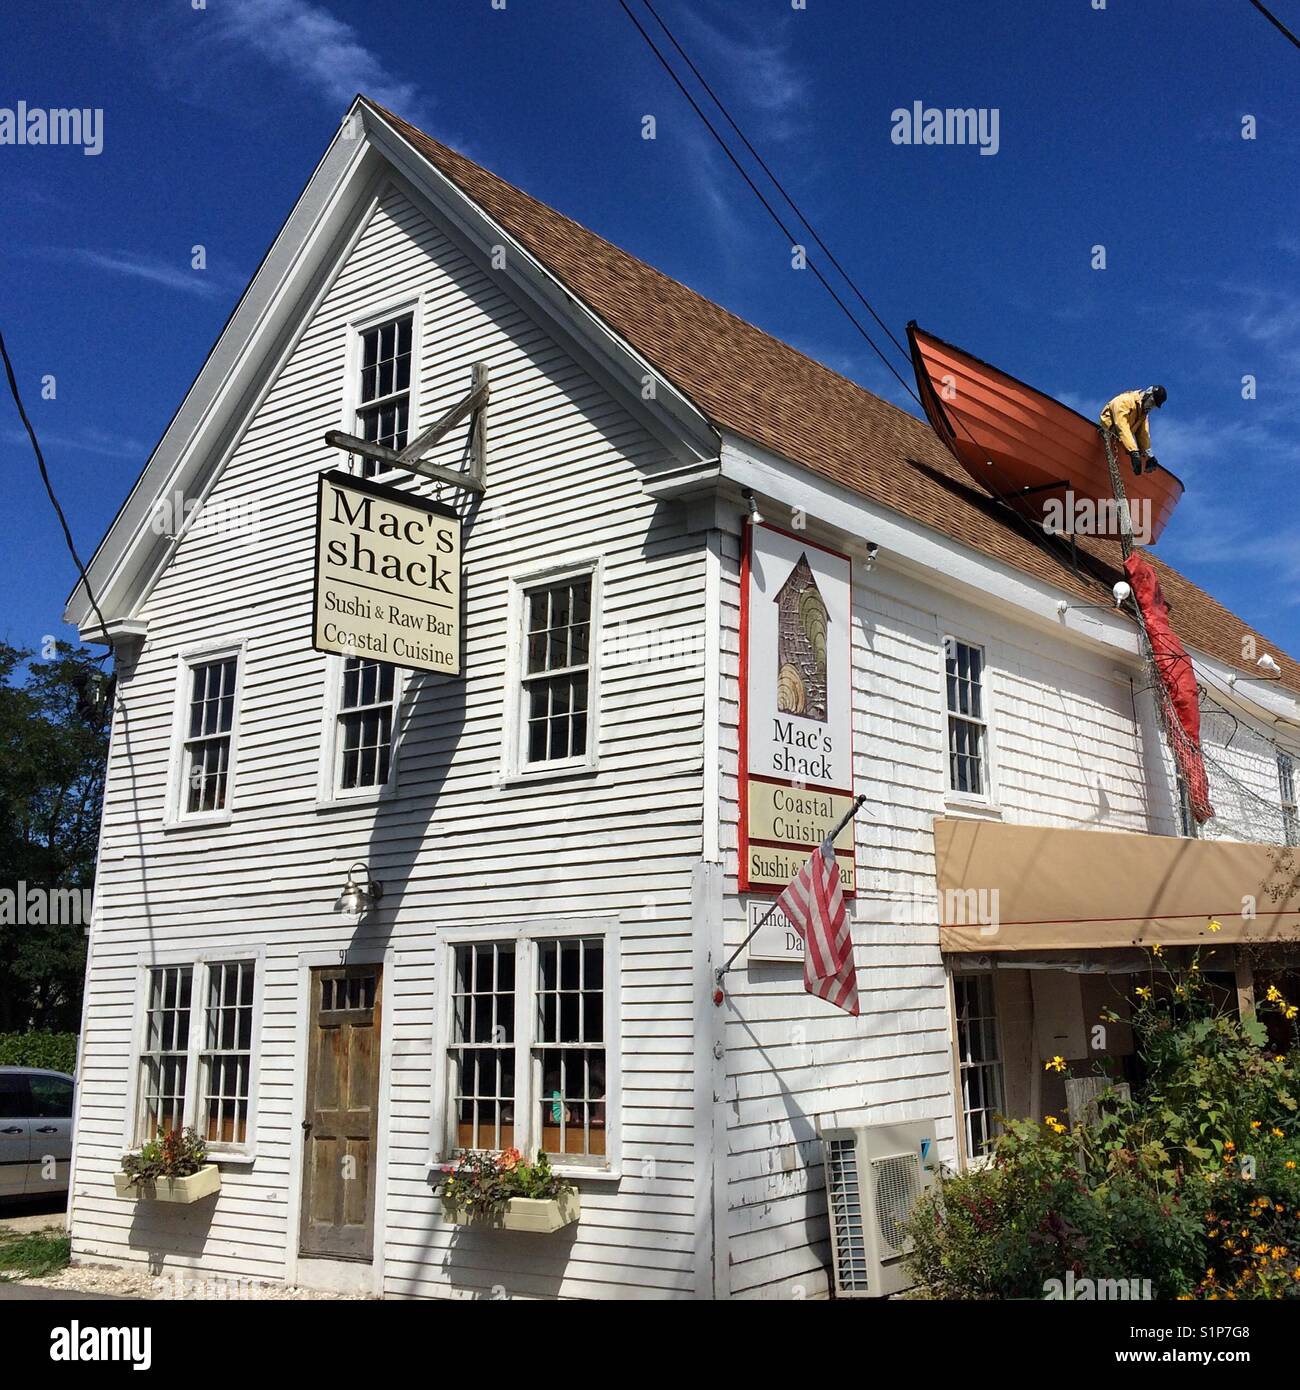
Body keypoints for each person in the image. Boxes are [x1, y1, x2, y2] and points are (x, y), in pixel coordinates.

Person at [1100, 385, 1167, 475]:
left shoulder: (1143, 414)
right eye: (1151, 403)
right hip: (1105, 436)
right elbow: (1122, 426)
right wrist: (1134, 452)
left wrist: (1149, 456)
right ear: (1147, 395)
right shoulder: (1124, 400)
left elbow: (1143, 435)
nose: (1151, 407)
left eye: (1153, 406)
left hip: (1118, 443)